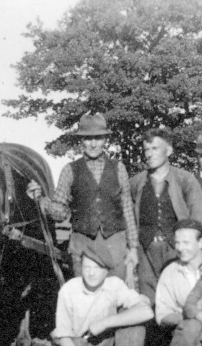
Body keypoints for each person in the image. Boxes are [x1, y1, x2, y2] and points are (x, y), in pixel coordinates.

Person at [130, 127, 202, 346]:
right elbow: (128, 216)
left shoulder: (185, 179)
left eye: (155, 148)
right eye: (146, 149)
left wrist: (187, 246)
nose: (149, 154)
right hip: (146, 251)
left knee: (177, 303)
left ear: (169, 150)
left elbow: (199, 215)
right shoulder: (137, 182)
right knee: (150, 302)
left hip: (175, 252)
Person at [29, 113, 139, 280]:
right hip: (82, 246)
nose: (93, 144)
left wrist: (133, 248)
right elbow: (59, 213)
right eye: (88, 138)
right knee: (83, 294)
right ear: (81, 140)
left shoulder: (119, 168)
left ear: (105, 140)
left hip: (115, 247)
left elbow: (128, 211)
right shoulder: (69, 170)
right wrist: (40, 199)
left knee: (115, 292)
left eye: (98, 138)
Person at [52, 243, 154, 346]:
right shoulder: (69, 290)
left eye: (97, 268)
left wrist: (105, 323)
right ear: (81, 267)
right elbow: (63, 337)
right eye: (87, 267)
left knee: (134, 326)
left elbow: (146, 312)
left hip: (107, 343)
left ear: (106, 270)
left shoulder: (114, 285)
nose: (91, 273)